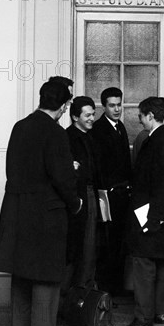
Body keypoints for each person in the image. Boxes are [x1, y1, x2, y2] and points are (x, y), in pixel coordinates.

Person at [0, 81, 81, 326]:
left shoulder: (20, 126)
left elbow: (13, 168)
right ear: (64, 107)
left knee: (22, 272)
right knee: (47, 275)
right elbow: (61, 177)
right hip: (46, 212)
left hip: (16, 208)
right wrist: (75, 202)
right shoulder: (55, 132)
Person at [126, 97, 164, 326]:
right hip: (160, 214)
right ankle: (160, 312)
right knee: (160, 264)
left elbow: (160, 184)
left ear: (150, 116)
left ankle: (143, 316)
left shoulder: (156, 141)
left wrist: (152, 220)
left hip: (151, 215)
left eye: (141, 115)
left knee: (144, 264)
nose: (139, 120)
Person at [91, 87, 132, 295]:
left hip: (123, 195)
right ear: (103, 106)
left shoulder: (121, 127)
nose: (117, 109)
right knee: (106, 245)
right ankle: (106, 292)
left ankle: (116, 288)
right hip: (108, 196)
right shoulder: (98, 130)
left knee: (119, 243)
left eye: (119, 104)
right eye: (112, 105)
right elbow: (99, 167)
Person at [63, 96, 101, 292]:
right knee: (78, 247)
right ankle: (73, 295)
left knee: (90, 246)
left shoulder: (90, 136)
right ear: (75, 116)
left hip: (90, 195)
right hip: (77, 198)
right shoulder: (67, 137)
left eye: (93, 114)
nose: (92, 118)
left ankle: (84, 293)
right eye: (88, 115)